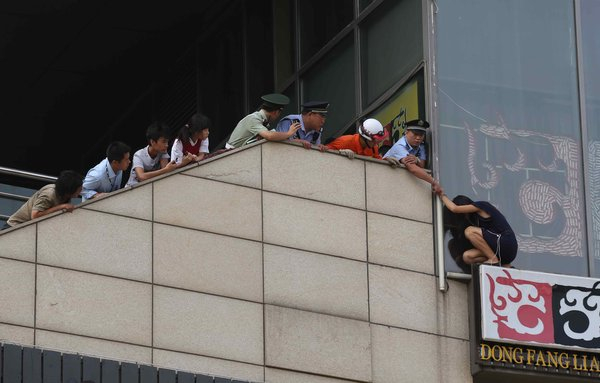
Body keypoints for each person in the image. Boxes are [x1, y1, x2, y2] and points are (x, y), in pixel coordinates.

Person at [438, 193, 518, 268]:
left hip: (506, 242)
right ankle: (501, 264)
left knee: (469, 231)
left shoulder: (481, 206)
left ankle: (493, 260)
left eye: (464, 212)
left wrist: (442, 195)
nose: (465, 215)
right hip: (500, 251)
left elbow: (455, 208)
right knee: (467, 257)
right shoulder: (474, 221)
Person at [4, 170, 83, 229]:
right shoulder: (49, 194)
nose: (81, 191)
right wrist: (61, 207)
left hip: (30, 229)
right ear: (70, 190)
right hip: (14, 227)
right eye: (79, 189)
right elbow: (35, 216)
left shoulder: (65, 196)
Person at [383, 119, 442, 193]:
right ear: (406, 132)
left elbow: (422, 165)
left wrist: (417, 160)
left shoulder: (421, 145)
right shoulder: (400, 146)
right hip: (386, 178)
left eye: (421, 135)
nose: (418, 138)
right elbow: (412, 168)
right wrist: (434, 182)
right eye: (415, 134)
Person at [126, 121, 191, 187]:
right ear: (153, 142)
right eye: (164, 142)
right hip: (132, 189)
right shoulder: (138, 155)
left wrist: (182, 163)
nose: (167, 145)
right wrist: (166, 170)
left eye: (167, 142)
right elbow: (142, 177)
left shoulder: (162, 152)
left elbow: (166, 172)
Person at [226, 93, 300, 149]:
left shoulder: (263, 120)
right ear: (276, 112)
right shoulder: (253, 119)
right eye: (279, 114)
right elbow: (269, 136)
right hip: (231, 155)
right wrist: (288, 133)